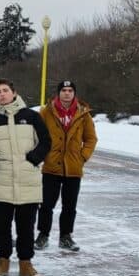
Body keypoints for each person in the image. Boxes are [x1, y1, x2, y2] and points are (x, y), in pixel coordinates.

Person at [0, 79, 51, 276]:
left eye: (5, 91)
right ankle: (2, 261)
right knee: (2, 226)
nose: (1, 95)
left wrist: (33, 159)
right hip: (1, 180)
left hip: (27, 179)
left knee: (26, 226)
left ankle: (25, 264)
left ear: (14, 93)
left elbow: (46, 141)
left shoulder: (32, 116)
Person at [37, 80, 98, 252]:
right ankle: (43, 235)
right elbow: (38, 135)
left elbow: (91, 139)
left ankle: (66, 236)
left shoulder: (83, 114)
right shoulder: (46, 112)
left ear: (74, 93)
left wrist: (82, 157)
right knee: (46, 204)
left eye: (70, 90)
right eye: (63, 90)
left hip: (73, 168)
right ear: (58, 93)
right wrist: (43, 155)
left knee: (69, 205)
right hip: (51, 167)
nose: (67, 93)